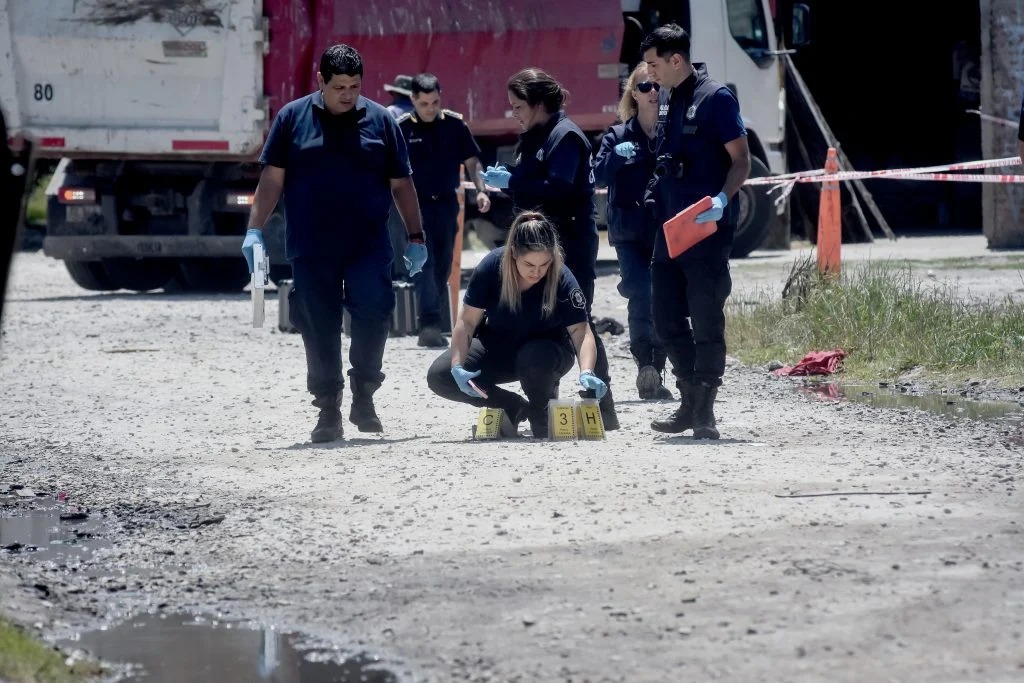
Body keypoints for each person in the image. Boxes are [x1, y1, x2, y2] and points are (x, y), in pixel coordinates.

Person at [241, 44, 427, 443]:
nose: (347, 94)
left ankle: (364, 393)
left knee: (374, 315)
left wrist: (416, 237)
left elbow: (402, 184)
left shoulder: (381, 121)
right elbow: (272, 180)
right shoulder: (292, 119)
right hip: (311, 246)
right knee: (318, 326)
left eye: (354, 86)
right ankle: (328, 409)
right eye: (339, 86)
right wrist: (255, 229)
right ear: (320, 81)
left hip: (368, 244)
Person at [482, 68, 620, 430]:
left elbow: (557, 186)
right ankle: (548, 409)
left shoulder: (566, 136)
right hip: (538, 242)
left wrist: (513, 180)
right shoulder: (535, 134)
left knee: (578, 319)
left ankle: (601, 408)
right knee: (543, 322)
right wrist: (510, 178)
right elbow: (531, 178)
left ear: (539, 103)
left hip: (570, 242)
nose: (514, 113)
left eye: (518, 106)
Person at [640, 24, 751, 440]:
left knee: (705, 317)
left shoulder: (716, 98)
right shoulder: (666, 98)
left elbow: (741, 161)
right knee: (665, 316)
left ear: (676, 60)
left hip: (706, 227)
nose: (648, 72)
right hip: (670, 227)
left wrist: (722, 200)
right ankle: (687, 400)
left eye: (653, 63)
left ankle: (704, 410)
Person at [426, 211, 607, 438]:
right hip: (499, 346)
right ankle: (511, 405)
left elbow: (581, 331)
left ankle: (541, 408)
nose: (537, 272)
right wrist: (458, 366)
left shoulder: (561, 276)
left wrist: (587, 370)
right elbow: (467, 322)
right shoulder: (492, 267)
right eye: (529, 264)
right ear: (513, 254)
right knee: (441, 375)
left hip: (545, 353)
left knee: (533, 360)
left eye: (544, 264)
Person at [593, 63, 673, 401]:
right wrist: (615, 159)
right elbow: (597, 177)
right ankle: (646, 365)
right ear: (633, 95)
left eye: (657, 86)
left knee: (664, 298)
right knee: (640, 292)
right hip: (628, 231)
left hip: (666, 229)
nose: (652, 92)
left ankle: (660, 364)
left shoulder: (674, 133)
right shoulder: (617, 136)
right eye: (644, 87)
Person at [397, 73, 492, 348]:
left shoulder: (453, 125)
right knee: (423, 261)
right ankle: (428, 323)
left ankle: (432, 320)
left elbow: (472, 161)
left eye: (435, 102)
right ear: (413, 100)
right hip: (415, 206)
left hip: (446, 205)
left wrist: (482, 190)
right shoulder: (402, 129)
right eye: (424, 103)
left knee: (442, 263)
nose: (430, 108)